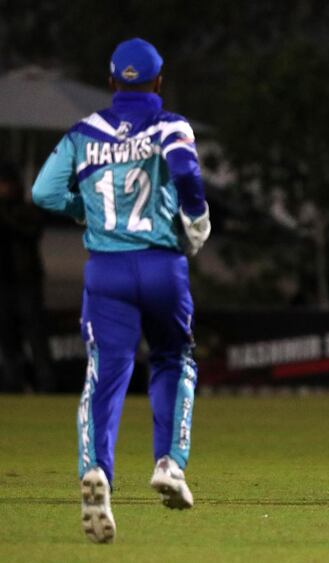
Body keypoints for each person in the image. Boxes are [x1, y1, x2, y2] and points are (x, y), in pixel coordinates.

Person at [32, 38, 211, 542]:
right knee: (174, 360)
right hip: (161, 265)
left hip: (106, 269)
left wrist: (84, 212)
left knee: (105, 373)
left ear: (112, 83)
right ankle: (170, 463)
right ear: (159, 81)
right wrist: (196, 220)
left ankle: (96, 469)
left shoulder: (82, 133)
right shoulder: (170, 124)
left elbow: (43, 191)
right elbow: (185, 172)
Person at [0, 162, 55, 393]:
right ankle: (13, 383)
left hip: (26, 283)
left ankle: (46, 384)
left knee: (36, 336)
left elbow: (31, 230)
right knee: (7, 337)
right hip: (3, 283)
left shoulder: (26, 210)